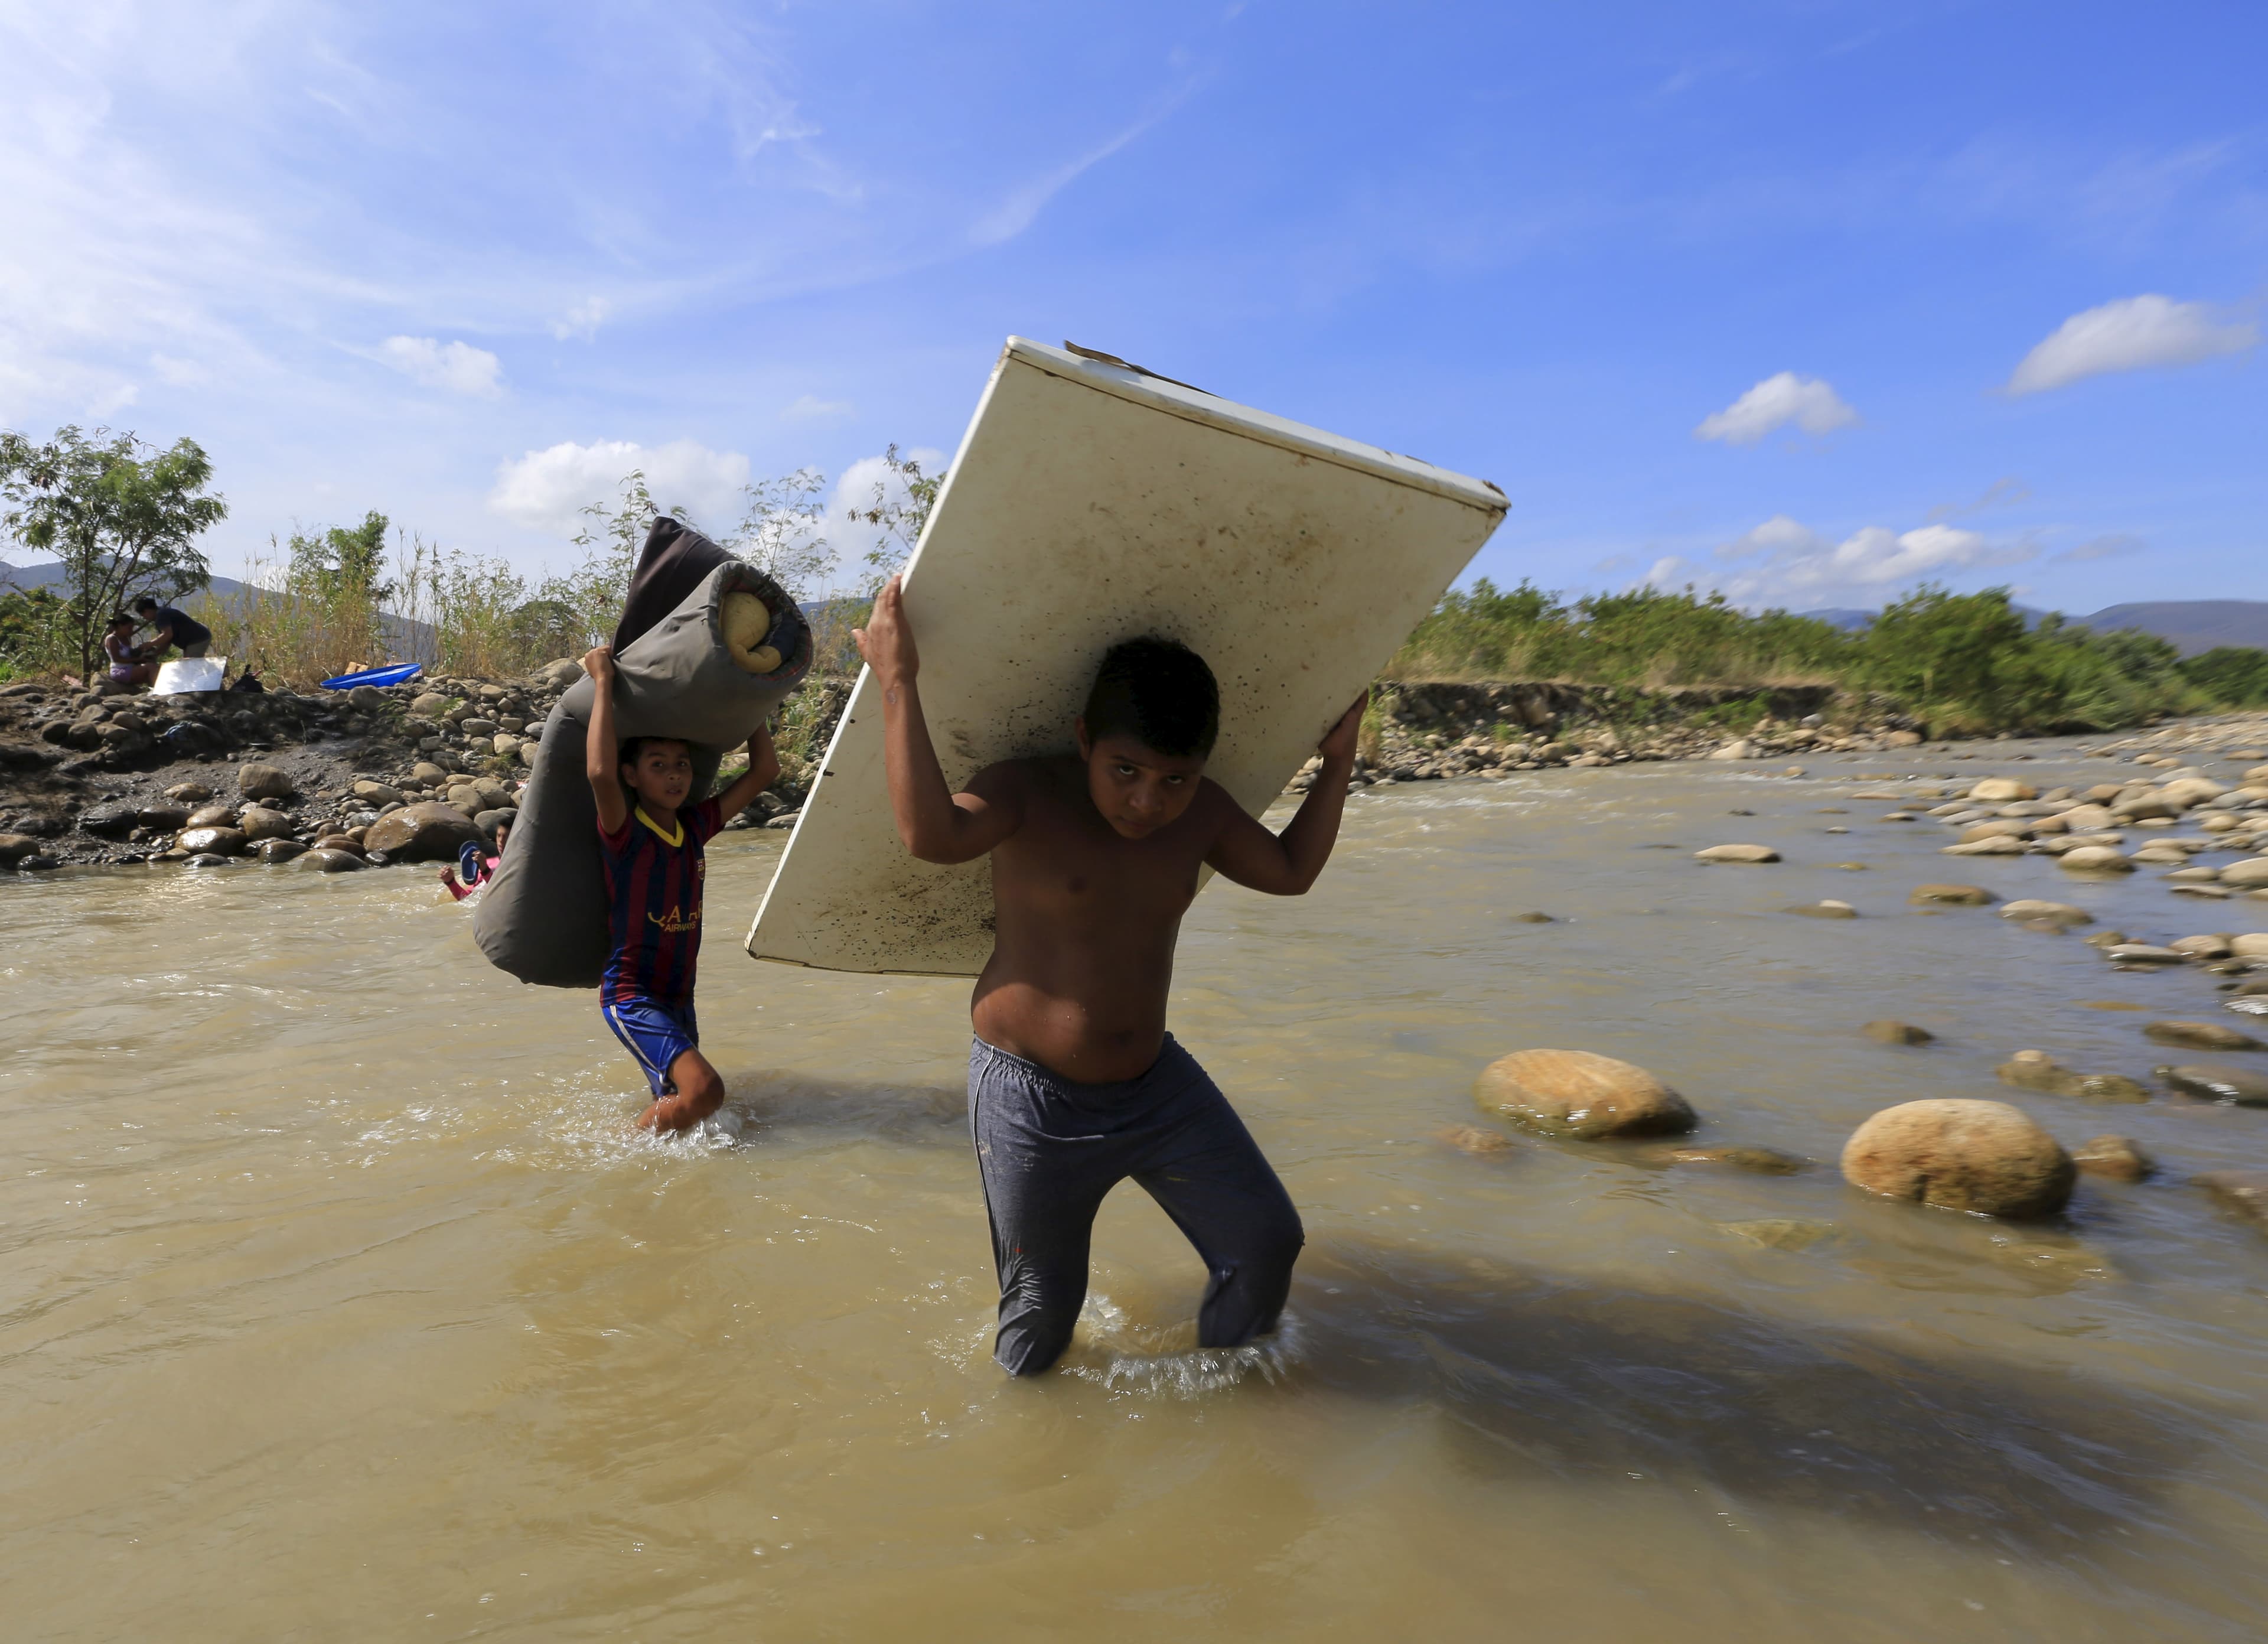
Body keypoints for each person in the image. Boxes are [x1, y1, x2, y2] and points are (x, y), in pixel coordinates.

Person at [855, 574, 1366, 1376]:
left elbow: (1291, 869)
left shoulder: (1202, 812)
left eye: (1174, 778)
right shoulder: (1028, 789)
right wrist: (898, 680)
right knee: (1040, 1316)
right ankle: (1031, 1473)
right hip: (1030, 1096)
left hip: (1155, 1084)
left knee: (1266, 1240)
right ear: (1085, 736)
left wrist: (1338, 760)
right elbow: (930, 832)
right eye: (1125, 769)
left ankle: (1233, 1405)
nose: (1147, 801)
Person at [582, 644, 779, 1131]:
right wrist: (603, 680)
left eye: (682, 765)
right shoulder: (625, 832)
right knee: (705, 1090)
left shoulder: (696, 825)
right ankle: (619, 1148)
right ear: (634, 775)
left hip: (677, 994)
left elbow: (764, 772)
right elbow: (600, 773)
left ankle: (641, 1170)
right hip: (632, 995)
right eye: (658, 764)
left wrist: (753, 697)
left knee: (684, 1107)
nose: (674, 774)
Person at [440, 818, 509, 902]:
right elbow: (465, 898)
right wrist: (451, 882)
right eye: (499, 836)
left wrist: (485, 870)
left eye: (505, 837)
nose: (501, 841)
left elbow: (504, 895)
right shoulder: (489, 863)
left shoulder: (521, 866)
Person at [131, 595, 211, 659]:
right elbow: (166, 642)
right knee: (190, 664)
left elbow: (168, 635)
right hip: (195, 639)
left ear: (148, 610)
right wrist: (155, 654)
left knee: (190, 666)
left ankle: (221, 670)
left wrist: (149, 644)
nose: (144, 618)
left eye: (143, 615)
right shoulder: (160, 617)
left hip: (198, 639)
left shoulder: (161, 615)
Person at [100, 613, 158, 691]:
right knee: (150, 667)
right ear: (120, 626)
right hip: (119, 671)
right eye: (129, 628)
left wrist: (141, 651)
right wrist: (139, 660)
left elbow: (130, 655)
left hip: (130, 668)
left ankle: (155, 689)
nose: (131, 630)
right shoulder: (112, 639)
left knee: (154, 666)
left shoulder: (127, 638)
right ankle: (158, 692)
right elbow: (117, 659)